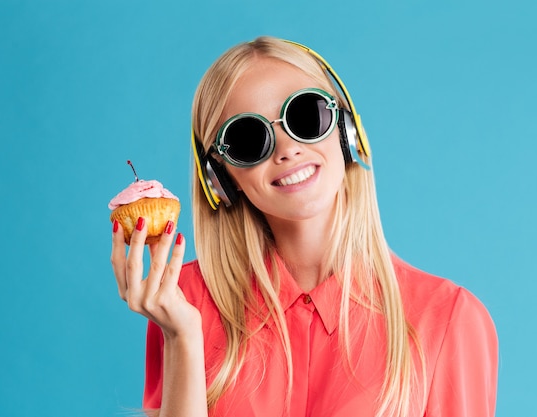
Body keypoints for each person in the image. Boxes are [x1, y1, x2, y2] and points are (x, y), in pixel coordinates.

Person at [111, 36, 498, 417]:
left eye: (306, 116)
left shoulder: (448, 320)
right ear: (220, 178)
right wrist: (182, 339)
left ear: (347, 131)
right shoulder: (184, 302)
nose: (287, 150)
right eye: (249, 138)